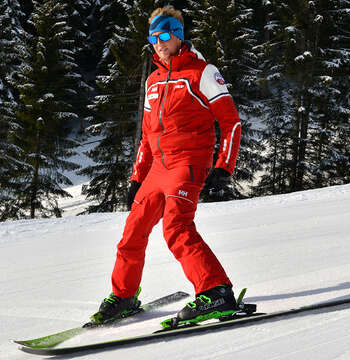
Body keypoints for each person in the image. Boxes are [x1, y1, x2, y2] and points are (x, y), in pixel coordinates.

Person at [90, 6, 242, 325]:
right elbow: (148, 135)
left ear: (178, 35)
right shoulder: (154, 80)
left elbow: (231, 123)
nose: (159, 42)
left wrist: (223, 166)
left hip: (188, 162)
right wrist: (137, 177)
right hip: (157, 168)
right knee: (133, 231)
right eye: (153, 37)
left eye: (164, 34)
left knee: (176, 227)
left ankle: (216, 291)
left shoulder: (201, 72)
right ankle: (123, 296)